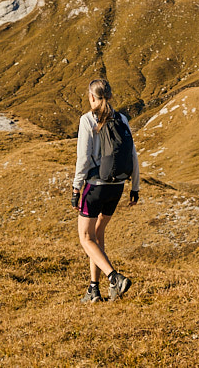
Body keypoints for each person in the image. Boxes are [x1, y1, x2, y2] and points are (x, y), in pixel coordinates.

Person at [72, 78, 140, 303]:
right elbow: (133, 155)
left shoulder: (87, 120)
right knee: (98, 235)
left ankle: (114, 278)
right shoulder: (122, 119)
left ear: (92, 97)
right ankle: (94, 289)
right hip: (117, 187)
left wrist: (76, 187)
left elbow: (83, 157)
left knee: (85, 238)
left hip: (95, 187)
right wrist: (135, 187)